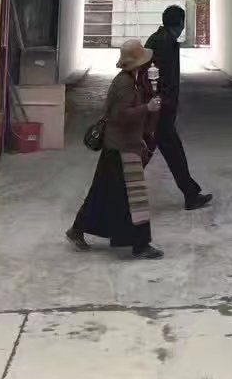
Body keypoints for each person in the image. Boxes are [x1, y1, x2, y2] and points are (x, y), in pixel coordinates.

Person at [66, 38, 164, 259]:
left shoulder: (130, 80)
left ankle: (77, 229)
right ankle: (140, 244)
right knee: (134, 197)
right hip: (122, 148)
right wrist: (147, 108)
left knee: (103, 194)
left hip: (118, 145)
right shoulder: (125, 84)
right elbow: (121, 115)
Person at [145, 4, 212, 211]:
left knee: (158, 152)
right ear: (180, 22)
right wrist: (163, 102)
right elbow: (159, 78)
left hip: (160, 109)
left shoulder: (161, 39)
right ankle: (191, 194)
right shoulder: (164, 43)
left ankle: (191, 194)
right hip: (160, 110)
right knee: (161, 153)